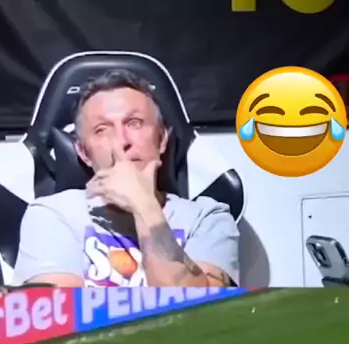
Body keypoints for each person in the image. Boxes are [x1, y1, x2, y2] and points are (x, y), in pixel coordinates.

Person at [13, 69, 240, 288]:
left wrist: (144, 206)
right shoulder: (52, 214)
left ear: (161, 139)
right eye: (102, 129)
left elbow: (201, 309)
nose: (122, 141)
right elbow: (61, 310)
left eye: (135, 123)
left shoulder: (207, 218)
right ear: (83, 152)